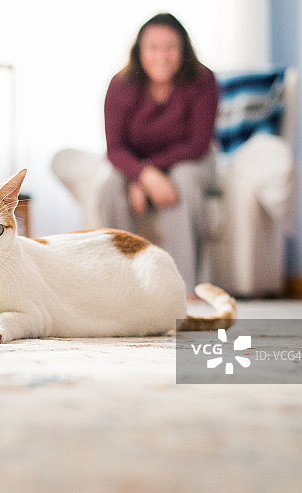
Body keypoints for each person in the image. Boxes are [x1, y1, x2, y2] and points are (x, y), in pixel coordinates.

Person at [99, 12, 219, 292]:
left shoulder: (203, 80)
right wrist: (142, 175)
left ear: (183, 50)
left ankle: (185, 288)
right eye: (153, 47)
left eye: (170, 47)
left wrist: (148, 174)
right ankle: (119, 284)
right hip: (136, 165)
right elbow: (115, 149)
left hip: (192, 160)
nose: (162, 56)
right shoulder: (120, 85)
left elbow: (197, 144)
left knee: (184, 178)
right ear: (139, 51)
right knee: (109, 185)